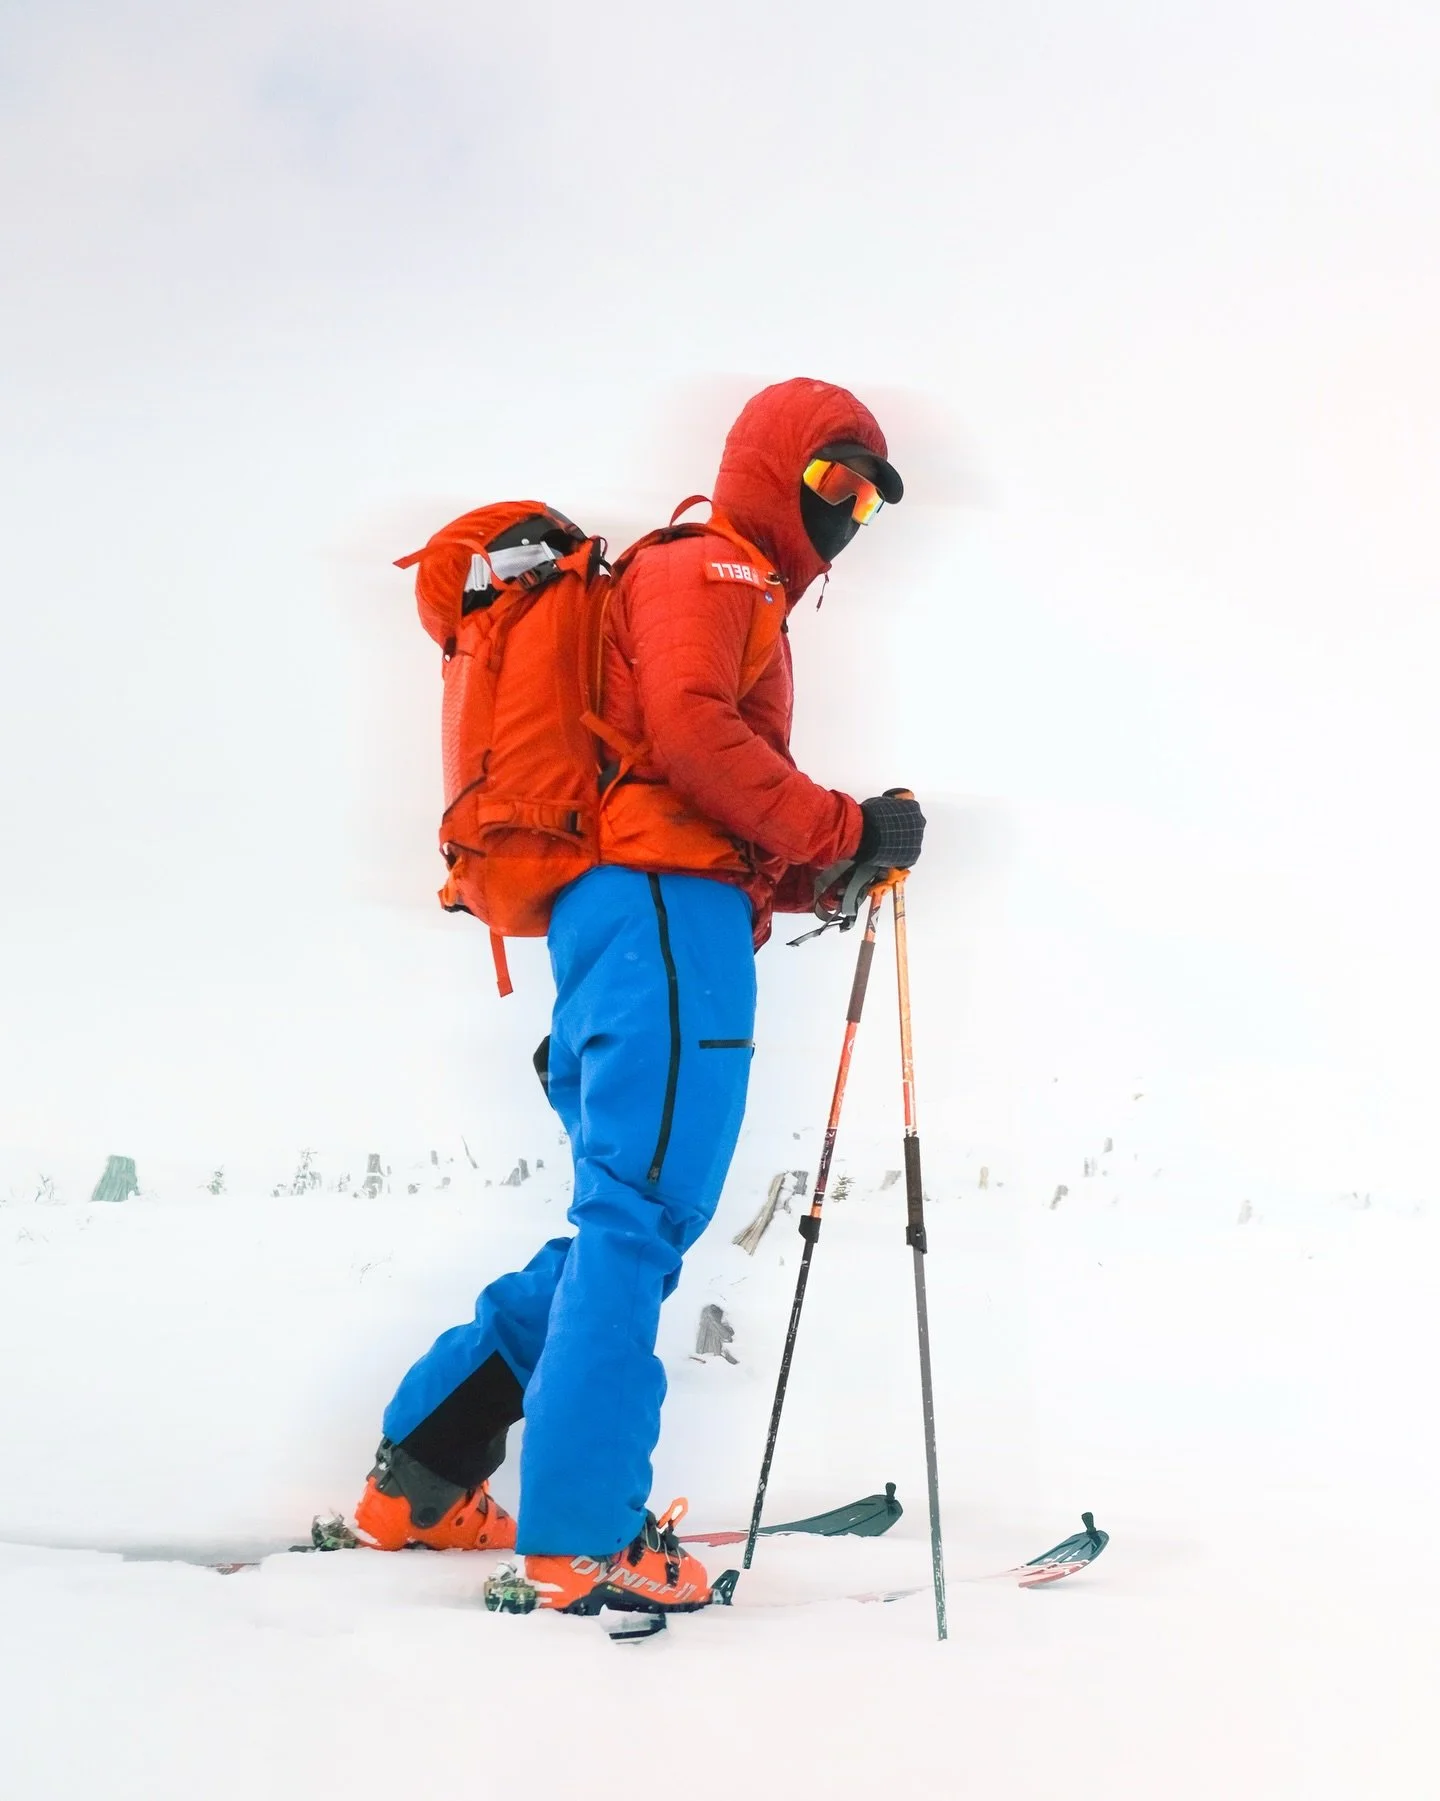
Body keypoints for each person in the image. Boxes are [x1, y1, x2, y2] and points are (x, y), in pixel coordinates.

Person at [354, 377, 926, 1614]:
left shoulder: (717, 583)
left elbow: (681, 774)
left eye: (870, 501)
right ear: (770, 467)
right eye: (832, 479)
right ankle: (584, 1537)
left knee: (625, 1216)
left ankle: (425, 1470)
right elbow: (691, 737)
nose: (847, 513)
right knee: (635, 1223)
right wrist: (843, 827)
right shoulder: (716, 568)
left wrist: (820, 868)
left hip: (639, 918)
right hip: (662, 917)